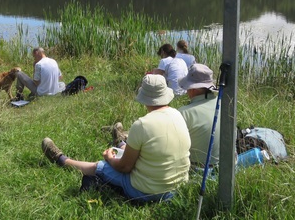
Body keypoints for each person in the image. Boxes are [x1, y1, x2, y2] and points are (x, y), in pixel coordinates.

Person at [41, 74, 190, 202]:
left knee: (99, 167)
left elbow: (124, 167)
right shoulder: (178, 114)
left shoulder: (142, 125)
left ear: (145, 98)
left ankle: (62, 160)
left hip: (146, 192)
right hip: (176, 188)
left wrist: (109, 158)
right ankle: (120, 142)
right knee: (136, 150)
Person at [177, 63, 220, 168]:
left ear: (192, 90)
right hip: (228, 165)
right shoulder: (223, 104)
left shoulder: (184, 113)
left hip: (199, 169)